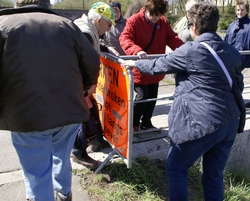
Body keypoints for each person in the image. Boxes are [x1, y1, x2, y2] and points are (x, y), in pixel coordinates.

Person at [122, 2, 244, 200]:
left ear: (194, 26)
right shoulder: (230, 51)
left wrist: (135, 62)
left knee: (176, 166)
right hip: (230, 122)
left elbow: (157, 65)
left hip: (205, 124)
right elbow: (239, 85)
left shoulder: (191, 51)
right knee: (214, 175)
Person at [0, 0, 100, 200]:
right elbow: (92, 62)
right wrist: (84, 88)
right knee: (61, 157)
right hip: (69, 110)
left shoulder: (4, 25)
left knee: (37, 171)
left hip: (25, 115)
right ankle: (63, 192)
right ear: (46, 4)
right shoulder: (67, 25)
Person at [119, 0, 184, 132]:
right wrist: (137, 51)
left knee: (153, 97)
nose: (156, 18)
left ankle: (146, 122)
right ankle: (134, 123)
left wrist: (185, 49)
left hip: (155, 68)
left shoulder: (163, 22)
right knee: (142, 97)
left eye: (159, 15)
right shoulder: (134, 20)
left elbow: (172, 38)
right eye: (153, 14)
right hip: (140, 67)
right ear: (146, 9)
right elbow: (125, 38)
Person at [72, 2, 115, 171]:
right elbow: (82, 61)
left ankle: (90, 143)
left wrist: (104, 47)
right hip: (80, 87)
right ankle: (78, 152)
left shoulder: (85, 27)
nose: (110, 29)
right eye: (108, 24)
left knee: (91, 117)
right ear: (98, 21)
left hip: (78, 85)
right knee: (88, 120)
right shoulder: (87, 34)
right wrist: (88, 86)